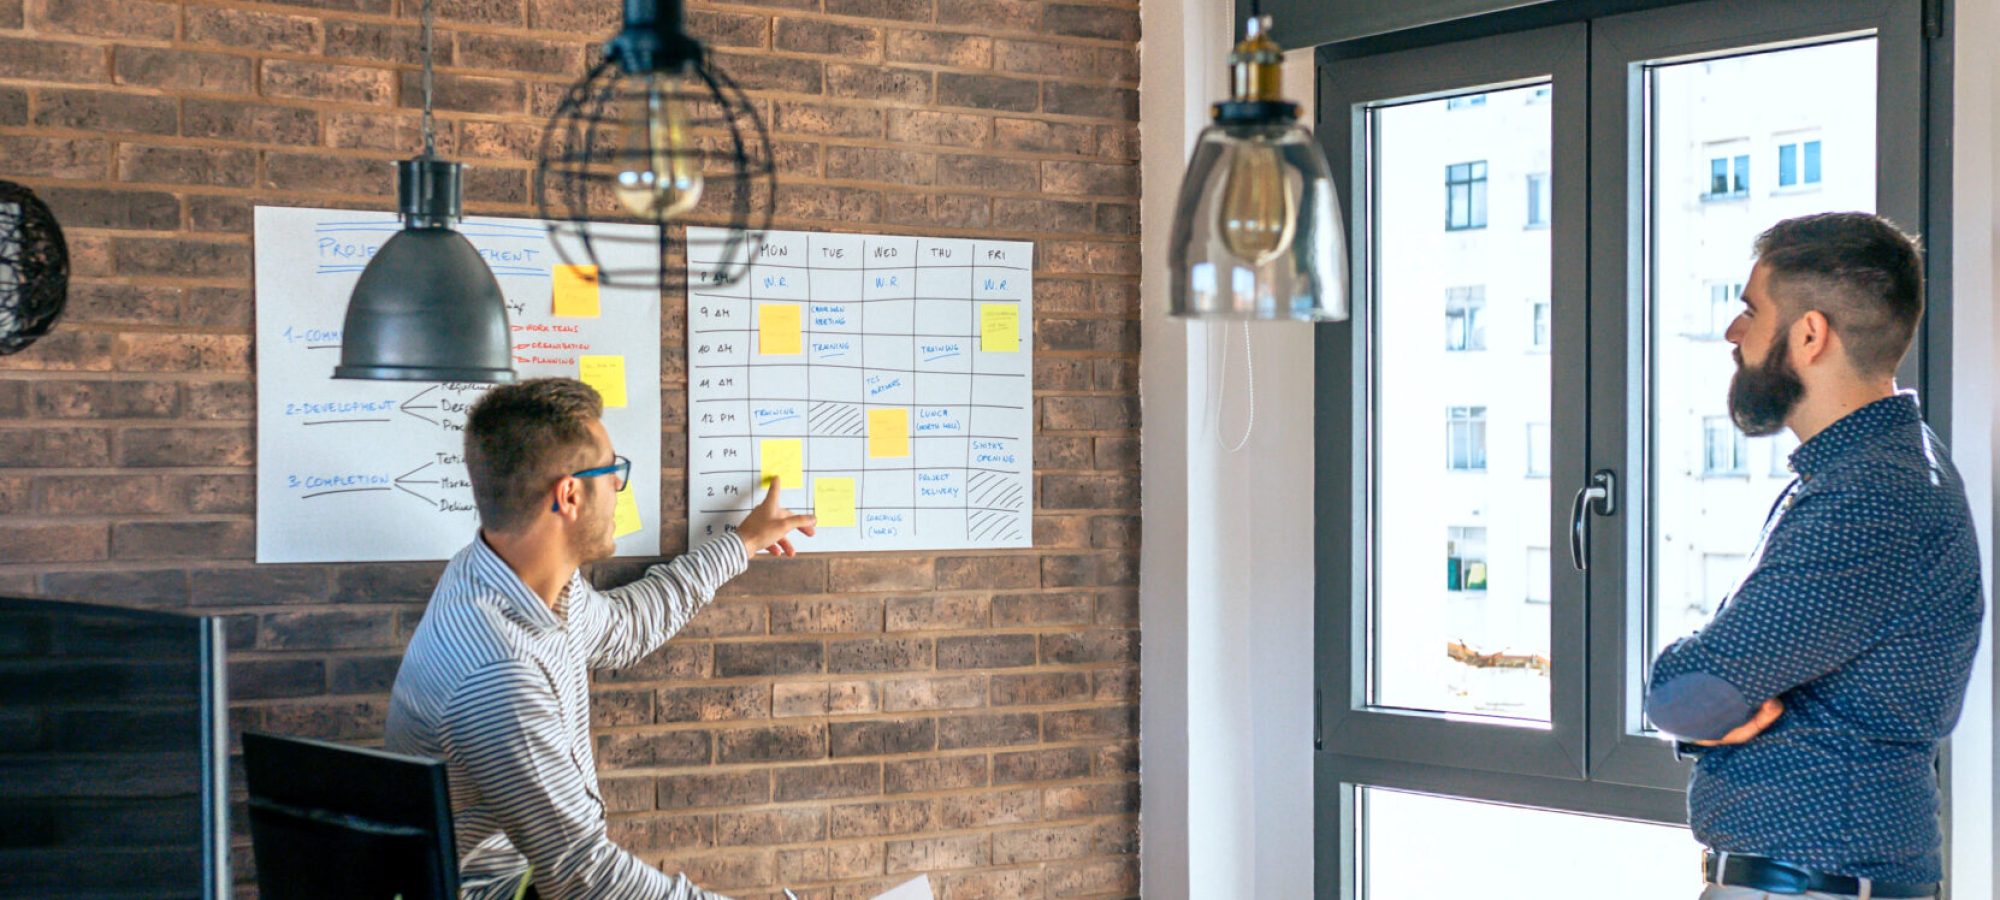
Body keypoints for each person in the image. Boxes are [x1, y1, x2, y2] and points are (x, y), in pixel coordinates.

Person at [1645, 213, 1982, 900]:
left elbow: (1688, 690)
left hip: (1803, 887)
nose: (1733, 334)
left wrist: (1704, 696)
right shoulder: (1884, 470)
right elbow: (1715, 699)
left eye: (1750, 310)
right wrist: (1721, 707)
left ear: (1809, 333)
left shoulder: (1867, 496)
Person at [386, 377, 815, 900]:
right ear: (569, 495)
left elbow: (624, 628)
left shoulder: (499, 577)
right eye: (613, 471)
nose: (618, 486)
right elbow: (584, 878)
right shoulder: (501, 674)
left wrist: (740, 544)